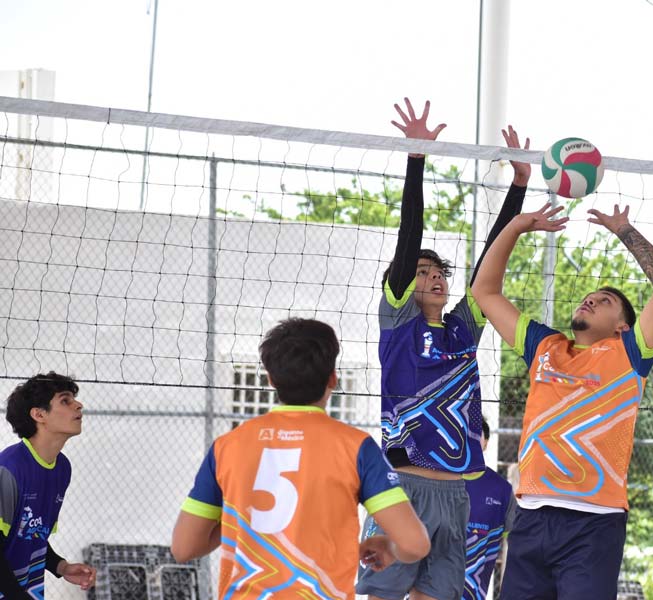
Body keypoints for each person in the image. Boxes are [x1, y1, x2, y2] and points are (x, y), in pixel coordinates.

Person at [356, 98, 531, 600]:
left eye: (439, 273)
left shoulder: (463, 327)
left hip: (456, 494)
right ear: (402, 283)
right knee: (383, 595)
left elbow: (491, 261)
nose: (434, 278)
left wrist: (519, 186)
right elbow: (408, 235)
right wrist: (417, 159)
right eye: (423, 272)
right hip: (403, 489)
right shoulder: (398, 323)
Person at [471, 203, 653, 600]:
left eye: (604, 301)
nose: (591, 300)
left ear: (622, 326)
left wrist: (624, 231)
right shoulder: (545, 346)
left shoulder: (631, 353)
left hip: (594, 524)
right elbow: (484, 291)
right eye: (589, 297)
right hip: (532, 516)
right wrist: (515, 226)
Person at [171, 318, 430, 599]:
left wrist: (244, 515)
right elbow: (414, 544)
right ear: (333, 378)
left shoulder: (227, 447)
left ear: (271, 380)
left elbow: (184, 548)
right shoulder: (356, 447)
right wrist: (389, 547)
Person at [0, 372, 97, 599]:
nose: (78, 405)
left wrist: (61, 567)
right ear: (39, 414)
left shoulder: (62, 468)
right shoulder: (9, 469)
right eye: (65, 400)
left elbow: (33, 534)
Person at [462, 421, 515, 600]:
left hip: (474, 592)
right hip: (433, 588)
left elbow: (514, 546)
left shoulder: (502, 490)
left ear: (486, 443)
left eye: (477, 436)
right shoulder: (439, 482)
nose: (471, 440)